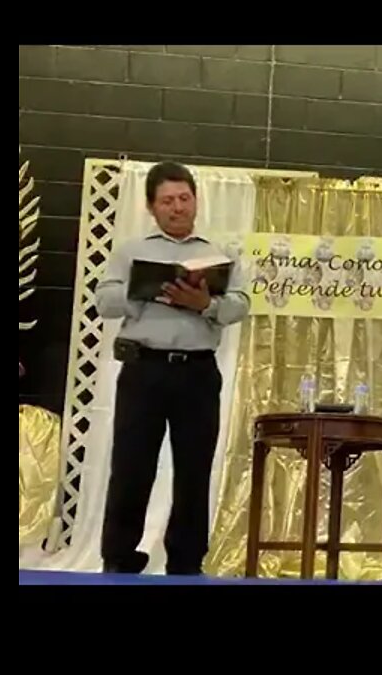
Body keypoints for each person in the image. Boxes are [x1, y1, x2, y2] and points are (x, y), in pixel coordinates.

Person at [94, 161, 249, 575]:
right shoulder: (131, 250)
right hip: (143, 371)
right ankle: (119, 557)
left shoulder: (218, 253)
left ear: (196, 200)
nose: (177, 208)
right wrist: (147, 293)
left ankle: (185, 561)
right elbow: (104, 300)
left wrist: (206, 305)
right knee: (131, 466)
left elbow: (240, 305)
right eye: (167, 201)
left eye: (184, 198)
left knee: (194, 469)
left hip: (197, 373)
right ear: (151, 206)